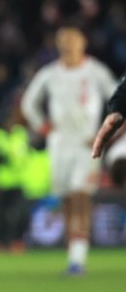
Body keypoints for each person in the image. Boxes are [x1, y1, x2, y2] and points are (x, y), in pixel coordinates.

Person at [19, 26, 118, 275]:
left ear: (82, 45)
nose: (68, 49)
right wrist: (42, 126)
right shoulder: (51, 74)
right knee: (66, 198)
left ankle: (78, 259)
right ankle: (73, 254)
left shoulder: (95, 71)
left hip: (86, 144)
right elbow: (29, 102)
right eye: (63, 45)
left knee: (80, 196)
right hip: (60, 144)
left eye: (72, 44)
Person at [0, 109, 32, 253]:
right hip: (0, 182)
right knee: (0, 215)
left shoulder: (21, 135)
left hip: (18, 181)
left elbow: (26, 157)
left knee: (21, 214)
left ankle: (17, 241)